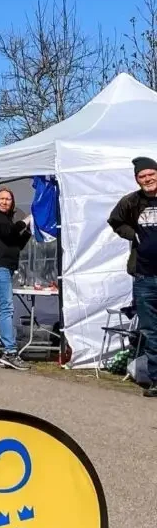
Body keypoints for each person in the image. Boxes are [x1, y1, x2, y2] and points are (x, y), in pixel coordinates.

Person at [108, 156, 157, 397]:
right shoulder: (131, 201)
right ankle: (156, 380)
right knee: (150, 330)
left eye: (150, 174)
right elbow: (114, 221)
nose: (147, 179)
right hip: (144, 276)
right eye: (142, 176)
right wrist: (132, 234)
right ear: (137, 179)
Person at [0, 187, 32, 371]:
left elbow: (15, 244)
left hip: (3, 267)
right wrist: (24, 222)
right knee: (6, 309)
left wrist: (28, 231)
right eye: (1, 198)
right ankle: (10, 352)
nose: (4, 202)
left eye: (8, 199)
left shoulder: (8, 221)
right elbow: (9, 233)